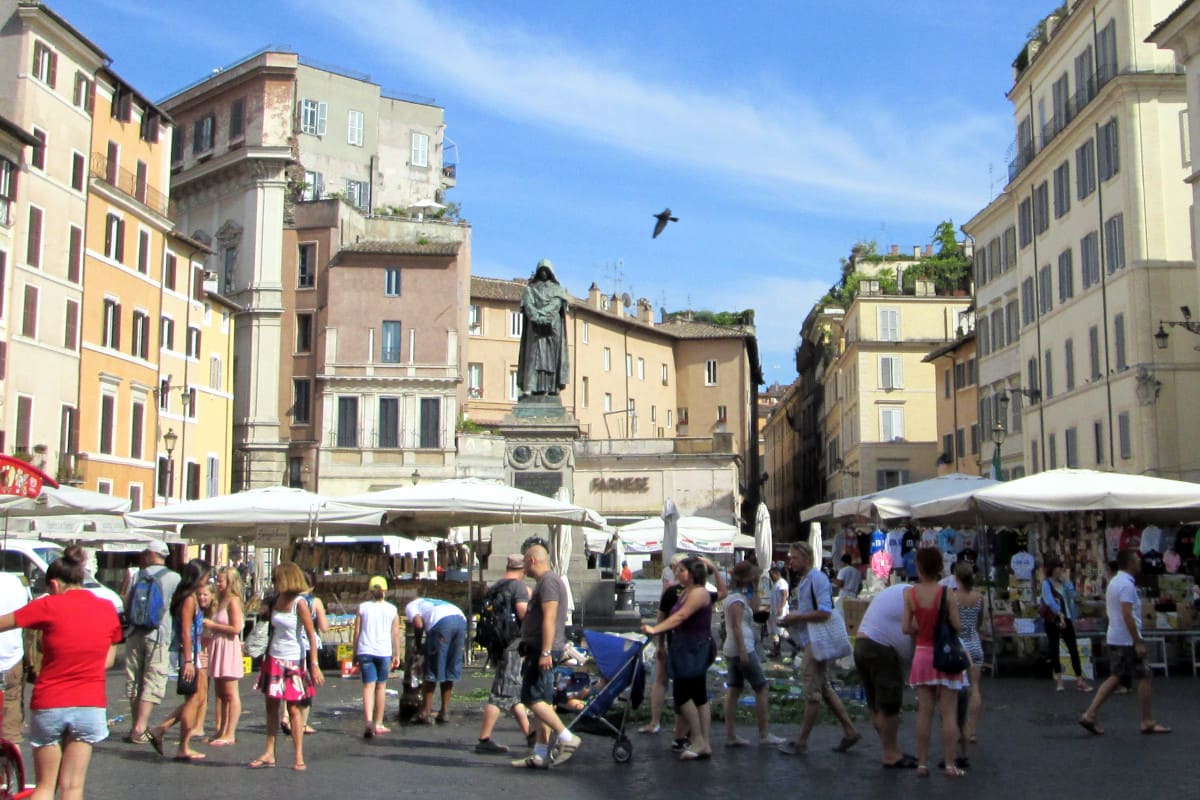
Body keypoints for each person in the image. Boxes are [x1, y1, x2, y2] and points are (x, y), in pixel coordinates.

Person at [0, 546, 121, 800]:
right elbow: (108, 660)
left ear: (53, 584)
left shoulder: (49, 605)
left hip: (50, 702)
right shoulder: (107, 608)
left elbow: (6, 622)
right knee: (72, 787)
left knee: (45, 786)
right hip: (90, 703)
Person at [778, 542, 860, 756]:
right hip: (811, 639)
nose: (791, 561)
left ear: (806, 558)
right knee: (824, 688)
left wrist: (797, 617)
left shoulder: (817, 578)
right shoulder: (806, 580)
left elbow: (824, 611)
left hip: (817, 643)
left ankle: (802, 741)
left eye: (794, 557)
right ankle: (850, 730)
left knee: (812, 691)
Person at [1079, 549, 1171, 736]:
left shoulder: (1115, 582)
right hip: (1126, 639)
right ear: (1130, 563)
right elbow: (1127, 614)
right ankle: (1145, 720)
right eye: (1136, 560)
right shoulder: (1126, 586)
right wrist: (1137, 641)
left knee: (1118, 676)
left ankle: (1091, 714)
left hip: (1117, 636)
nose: (1139, 562)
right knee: (1139, 675)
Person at [511, 544, 583, 769]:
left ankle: (567, 737)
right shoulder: (546, 582)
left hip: (543, 650)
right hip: (540, 648)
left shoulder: (549, 582)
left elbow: (550, 619)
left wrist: (545, 651)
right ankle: (540, 753)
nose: (524, 567)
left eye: (525, 561)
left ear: (532, 560)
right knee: (544, 701)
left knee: (532, 699)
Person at [250, 562, 324, 771]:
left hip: (293, 659)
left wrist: (314, 665)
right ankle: (269, 752)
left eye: (276, 579)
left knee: (293, 709)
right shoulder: (276, 599)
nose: (274, 583)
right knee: (271, 707)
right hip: (274, 657)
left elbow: (311, 634)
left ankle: (298, 755)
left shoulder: (300, 603)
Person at [641, 557, 716, 762]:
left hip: (694, 648)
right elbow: (670, 614)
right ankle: (704, 743)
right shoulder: (685, 591)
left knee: (683, 695)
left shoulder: (700, 593)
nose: (677, 573)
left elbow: (680, 616)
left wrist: (656, 629)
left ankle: (699, 739)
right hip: (685, 646)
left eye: (681, 570)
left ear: (692, 573)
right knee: (698, 696)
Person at [903, 548, 965, 778]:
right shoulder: (947, 593)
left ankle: (922, 763)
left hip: (922, 654)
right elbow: (958, 626)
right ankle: (950, 764)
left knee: (924, 712)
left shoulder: (910, 594)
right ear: (940, 567)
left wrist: (921, 628)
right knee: (948, 713)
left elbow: (905, 628)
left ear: (918, 566)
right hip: (945, 655)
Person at [149, 559, 211, 761]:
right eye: (206, 576)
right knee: (193, 700)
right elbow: (185, 630)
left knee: (198, 698)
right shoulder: (189, 599)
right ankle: (183, 746)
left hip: (192, 651)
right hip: (186, 653)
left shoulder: (189, 597)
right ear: (199, 577)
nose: (207, 580)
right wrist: (189, 660)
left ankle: (161, 729)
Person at [722, 560, 785, 747]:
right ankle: (764, 734)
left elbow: (756, 609)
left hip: (734, 648)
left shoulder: (738, 597)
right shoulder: (736, 600)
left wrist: (756, 587)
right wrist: (743, 651)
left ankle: (731, 735)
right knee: (761, 687)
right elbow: (735, 626)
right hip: (742, 648)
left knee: (734, 688)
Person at [853, 583, 917, 769]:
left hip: (863, 645)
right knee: (889, 705)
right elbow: (917, 628)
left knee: (877, 706)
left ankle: (891, 749)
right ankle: (890, 754)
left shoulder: (901, 591)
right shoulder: (913, 596)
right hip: (880, 648)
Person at [124, 540, 180, 745]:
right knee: (153, 678)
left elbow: (127, 602)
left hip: (134, 632)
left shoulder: (137, 575)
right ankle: (141, 726)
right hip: (159, 634)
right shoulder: (174, 578)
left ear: (149, 554)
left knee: (134, 679)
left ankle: (134, 726)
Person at [476, 555, 533, 754]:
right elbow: (524, 613)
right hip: (513, 645)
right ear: (524, 570)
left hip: (498, 644)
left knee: (512, 689)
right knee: (501, 692)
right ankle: (484, 739)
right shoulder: (517, 587)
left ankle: (530, 735)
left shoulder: (495, 586)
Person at [405, 596, 468, 724]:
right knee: (449, 667)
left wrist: (418, 644)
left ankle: (425, 712)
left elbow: (418, 624)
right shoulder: (432, 602)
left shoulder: (411, 606)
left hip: (441, 623)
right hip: (461, 620)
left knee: (432, 667)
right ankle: (444, 711)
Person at [354, 575, 400, 738]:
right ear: (386, 591)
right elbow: (395, 634)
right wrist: (397, 654)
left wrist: (355, 653)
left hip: (365, 650)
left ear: (371, 591)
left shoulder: (363, 607)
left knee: (368, 686)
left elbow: (357, 632)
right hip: (383, 651)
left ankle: (368, 722)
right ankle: (378, 723)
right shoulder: (392, 609)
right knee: (381, 687)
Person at [516, 259, 570, 396]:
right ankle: (530, 386)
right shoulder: (530, 289)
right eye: (542, 270)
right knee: (532, 357)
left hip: (552, 328)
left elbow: (556, 305)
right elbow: (528, 305)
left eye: (547, 270)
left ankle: (550, 388)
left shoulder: (558, 290)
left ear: (551, 272)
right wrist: (536, 318)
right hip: (534, 328)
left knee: (550, 359)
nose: (544, 273)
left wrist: (543, 316)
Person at [205, 565, 246, 746]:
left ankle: (230, 732)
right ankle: (221, 730)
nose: (218, 583)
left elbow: (236, 628)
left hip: (228, 645)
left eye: (221, 580)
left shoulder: (233, 600)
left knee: (230, 692)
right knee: (220, 693)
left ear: (230, 581)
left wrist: (212, 626)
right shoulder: (221, 599)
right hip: (219, 644)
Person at [1042, 559, 1091, 693]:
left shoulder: (1063, 583)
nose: (1059, 571)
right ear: (1052, 569)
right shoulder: (1046, 584)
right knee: (1054, 648)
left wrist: (1067, 582)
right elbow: (1049, 601)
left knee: (1073, 648)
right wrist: (1059, 613)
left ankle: (1079, 679)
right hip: (1053, 620)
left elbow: (1073, 595)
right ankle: (1059, 680)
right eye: (1057, 568)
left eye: (1061, 568)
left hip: (1067, 618)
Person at [953, 561, 984, 757]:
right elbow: (980, 621)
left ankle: (959, 729)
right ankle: (972, 731)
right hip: (975, 642)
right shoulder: (979, 597)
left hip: (958, 644)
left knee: (956, 689)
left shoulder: (953, 597)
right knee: (975, 687)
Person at [0, 571, 28, 743]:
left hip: (12, 658)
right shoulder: (15, 582)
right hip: (11, 659)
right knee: (10, 733)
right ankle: (10, 762)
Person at [767, 566, 789, 658]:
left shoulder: (782, 583)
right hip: (773, 611)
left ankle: (794, 644)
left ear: (776, 574)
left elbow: (784, 595)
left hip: (780, 611)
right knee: (774, 631)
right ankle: (776, 651)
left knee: (780, 631)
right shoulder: (775, 584)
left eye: (772, 575)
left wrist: (781, 607)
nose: (771, 577)